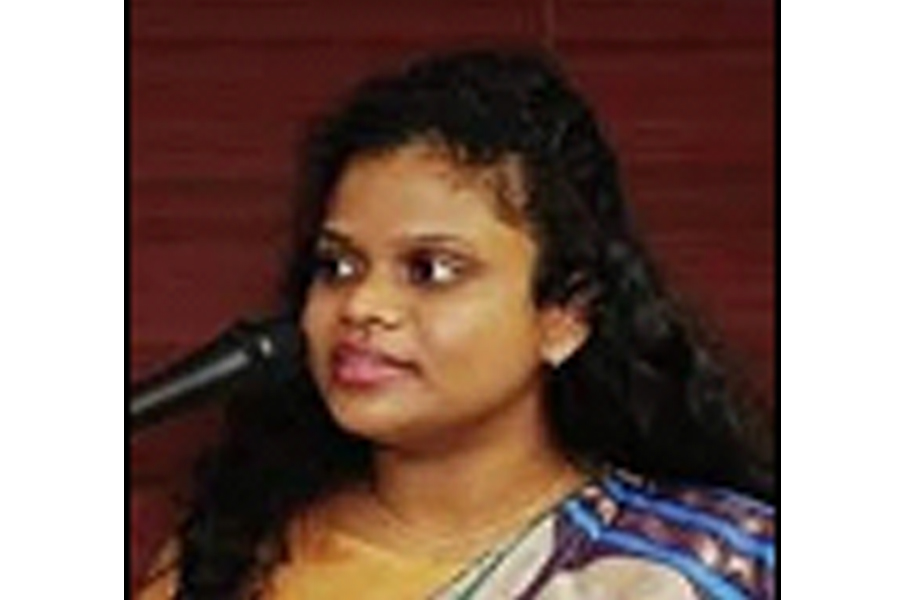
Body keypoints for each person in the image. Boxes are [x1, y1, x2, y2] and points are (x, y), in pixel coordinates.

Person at [136, 48, 774, 600]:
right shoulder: (227, 562)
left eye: (431, 270)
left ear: (565, 316)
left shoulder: (705, 568)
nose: (361, 305)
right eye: (337, 266)